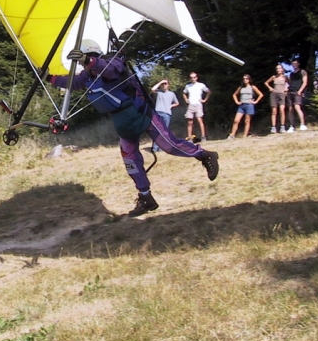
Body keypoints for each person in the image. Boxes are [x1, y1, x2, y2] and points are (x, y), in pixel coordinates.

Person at [47, 40, 219, 217]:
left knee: (169, 146)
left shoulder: (112, 61)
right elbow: (72, 82)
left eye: (86, 60)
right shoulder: (87, 75)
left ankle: (204, 155)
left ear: (92, 56)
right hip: (122, 120)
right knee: (130, 161)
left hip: (142, 112)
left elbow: (110, 70)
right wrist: (49, 77)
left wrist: (87, 60)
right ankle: (146, 197)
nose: (84, 65)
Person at [150, 78, 179, 152]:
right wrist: (160, 82)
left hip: (167, 114)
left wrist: (171, 106)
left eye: (165, 83)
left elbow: (177, 103)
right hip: (158, 113)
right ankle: (154, 148)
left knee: (164, 132)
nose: (164, 85)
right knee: (156, 130)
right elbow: (152, 89)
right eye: (163, 84)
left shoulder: (172, 94)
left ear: (168, 85)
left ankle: (161, 148)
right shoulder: (159, 92)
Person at [183, 72, 211, 142]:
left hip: (198, 104)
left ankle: (203, 137)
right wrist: (186, 99)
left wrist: (204, 100)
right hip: (190, 105)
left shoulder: (201, 85)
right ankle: (189, 138)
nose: (193, 79)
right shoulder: (188, 86)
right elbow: (184, 93)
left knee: (199, 120)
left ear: (196, 78)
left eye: (194, 77)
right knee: (190, 122)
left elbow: (208, 91)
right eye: (191, 78)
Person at [264, 64, 288, 134]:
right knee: (274, 111)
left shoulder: (285, 77)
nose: (278, 70)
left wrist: (286, 88)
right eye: (277, 68)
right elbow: (266, 83)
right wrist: (270, 88)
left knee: (282, 110)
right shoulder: (274, 77)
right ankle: (273, 127)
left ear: (282, 69)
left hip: (282, 94)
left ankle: (282, 127)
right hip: (274, 94)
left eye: (279, 68)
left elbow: (289, 84)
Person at [286, 59, 309, 132]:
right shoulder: (292, 74)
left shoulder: (302, 71)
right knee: (290, 109)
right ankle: (292, 126)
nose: (294, 65)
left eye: (295, 63)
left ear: (298, 64)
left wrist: (300, 91)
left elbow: (305, 82)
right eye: (293, 64)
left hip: (297, 91)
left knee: (297, 107)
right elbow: (290, 83)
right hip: (290, 91)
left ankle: (302, 124)